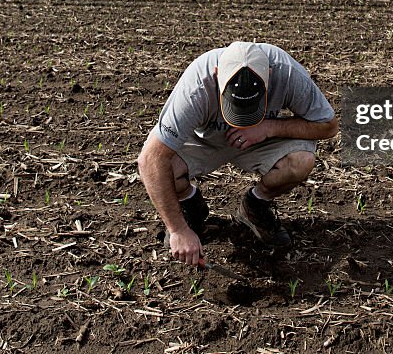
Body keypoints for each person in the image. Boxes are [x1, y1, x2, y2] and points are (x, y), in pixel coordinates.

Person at [137, 41, 338, 267]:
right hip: (206, 141)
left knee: (301, 160)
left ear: (269, 75)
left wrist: (268, 128)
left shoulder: (287, 73)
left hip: (258, 140)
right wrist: (178, 229)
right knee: (162, 170)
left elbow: (328, 125)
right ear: (216, 75)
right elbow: (149, 159)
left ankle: (254, 206)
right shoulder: (196, 86)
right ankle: (190, 207)